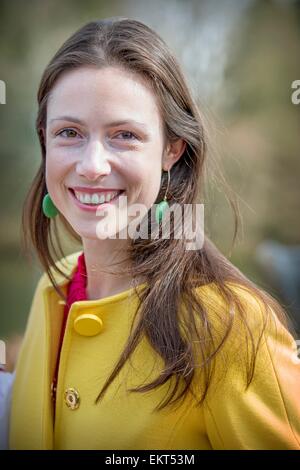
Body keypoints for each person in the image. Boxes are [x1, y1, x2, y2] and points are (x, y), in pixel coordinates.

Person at [8, 17, 300, 450]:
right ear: (45, 142)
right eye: (68, 132)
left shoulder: (230, 325)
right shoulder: (49, 292)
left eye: (124, 135)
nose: (91, 165)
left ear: (171, 149)